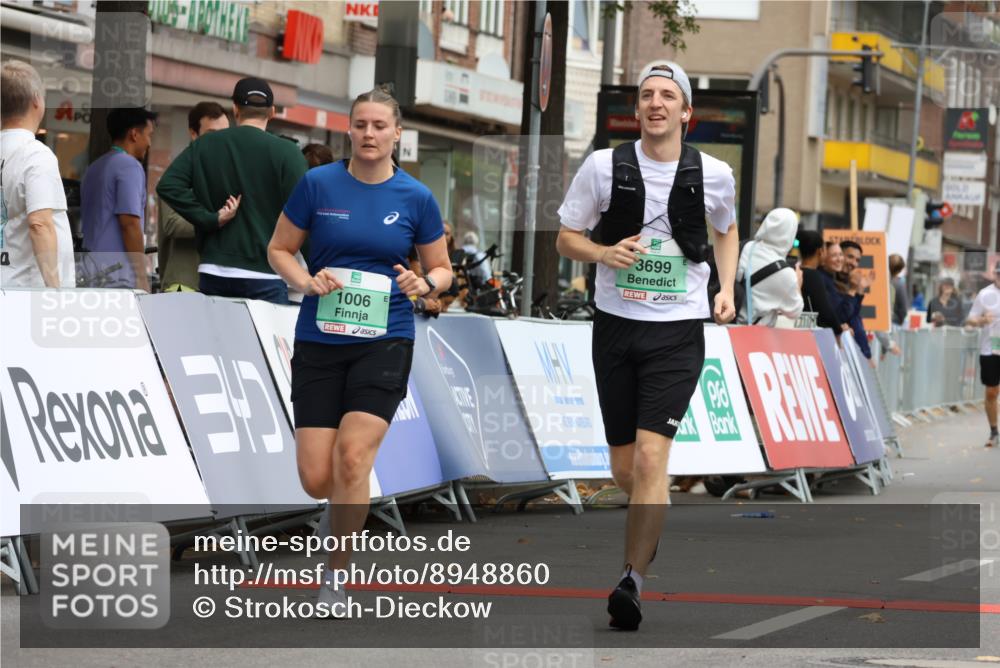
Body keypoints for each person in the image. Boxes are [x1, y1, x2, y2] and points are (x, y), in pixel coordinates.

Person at [555, 60, 738, 631]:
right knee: (625, 468)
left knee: (654, 456)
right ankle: (650, 506)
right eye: (646, 96)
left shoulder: (714, 174)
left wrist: (726, 286)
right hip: (615, 324)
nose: (655, 103)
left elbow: (726, 229)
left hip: (677, 330)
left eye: (667, 96)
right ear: (636, 110)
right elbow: (566, 237)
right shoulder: (602, 167)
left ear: (687, 112)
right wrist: (602, 254)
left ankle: (630, 580)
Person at [267, 87, 452, 616]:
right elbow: (278, 248)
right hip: (320, 340)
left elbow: (441, 268)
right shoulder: (317, 184)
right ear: (349, 130)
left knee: (353, 457)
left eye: (379, 126)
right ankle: (341, 506)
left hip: (387, 339)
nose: (369, 134)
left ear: (397, 134)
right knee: (316, 477)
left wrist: (425, 284)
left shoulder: (415, 197)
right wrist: (304, 279)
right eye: (360, 125)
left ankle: (336, 577)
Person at [157, 77, 308, 304]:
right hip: (266, 272)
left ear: (235, 109)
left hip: (214, 270)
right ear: (272, 112)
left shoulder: (205, 145)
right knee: (262, 340)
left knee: (215, 339)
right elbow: (305, 214)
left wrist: (209, 219)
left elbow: (167, 185)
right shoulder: (287, 153)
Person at [0, 60, 75, 288]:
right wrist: (55, 291)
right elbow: (40, 224)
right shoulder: (35, 155)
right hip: (28, 294)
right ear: (36, 101)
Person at [80, 107, 157, 291]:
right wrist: (140, 275)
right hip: (117, 274)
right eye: (149, 135)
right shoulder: (129, 166)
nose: (150, 143)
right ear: (134, 134)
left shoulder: (94, 168)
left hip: (90, 268)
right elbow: (129, 223)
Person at [157, 102, 230, 292]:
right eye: (212, 134)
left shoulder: (226, 170)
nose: (221, 141)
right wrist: (215, 219)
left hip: (218, 283)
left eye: (225, 134)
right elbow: (172, 224)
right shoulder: (178, 173)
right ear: (193, 133)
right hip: (183, 283)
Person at [735, 207, 802, 326]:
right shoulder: (785, 273)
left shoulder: (746, 247)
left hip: (727, 326)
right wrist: (798, 283)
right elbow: (795, 311)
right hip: (755, 336)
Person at [966, 262, 1000, 447]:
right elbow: (970, 320)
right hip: (991, 347)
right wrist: (982, 320)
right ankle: (994, 431)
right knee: (991, 392)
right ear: (995, 274)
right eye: (999, 274)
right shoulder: (985, 294)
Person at [797, 230, 843, 335]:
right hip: (809, 335)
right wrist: (839, 329)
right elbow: (825, 311)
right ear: (820, 251)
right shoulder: (814, 276)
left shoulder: (796, 271)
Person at [889, 253, 908, 326]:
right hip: (894, 323)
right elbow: (903, 309)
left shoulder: (881, 281)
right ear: (900, 269)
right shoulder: (900, 284)